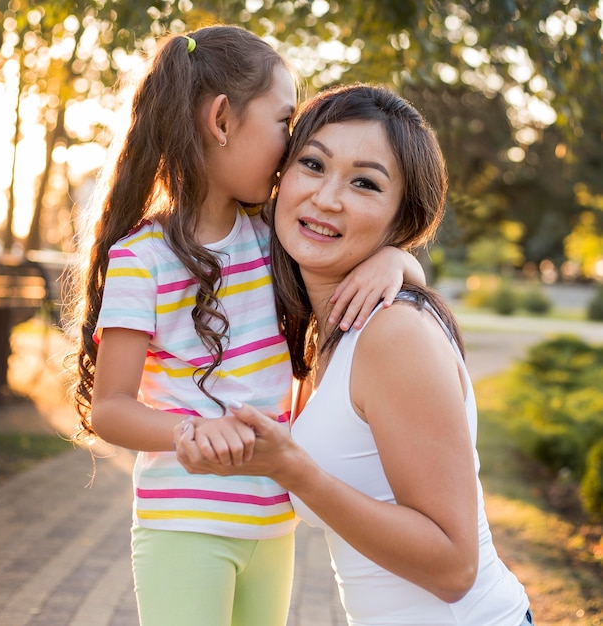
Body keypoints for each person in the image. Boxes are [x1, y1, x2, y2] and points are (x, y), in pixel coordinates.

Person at [68, 25, 426, 626]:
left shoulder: (273, 242)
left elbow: (356, 275)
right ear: (222, 120)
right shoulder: (141, 259)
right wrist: (192, 432)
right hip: (186, 524)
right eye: (285, 122)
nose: (293, 148)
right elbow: (110, 410)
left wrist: (398, 258)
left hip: (272, 520)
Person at [175, 83, 534, 626]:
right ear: (280, 181)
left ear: (402, 219)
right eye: (313, 165)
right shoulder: (328, 331)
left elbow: (454, 568)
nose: (327, 197)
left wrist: (294, 469)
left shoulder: (393, 336)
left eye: (365, 183)